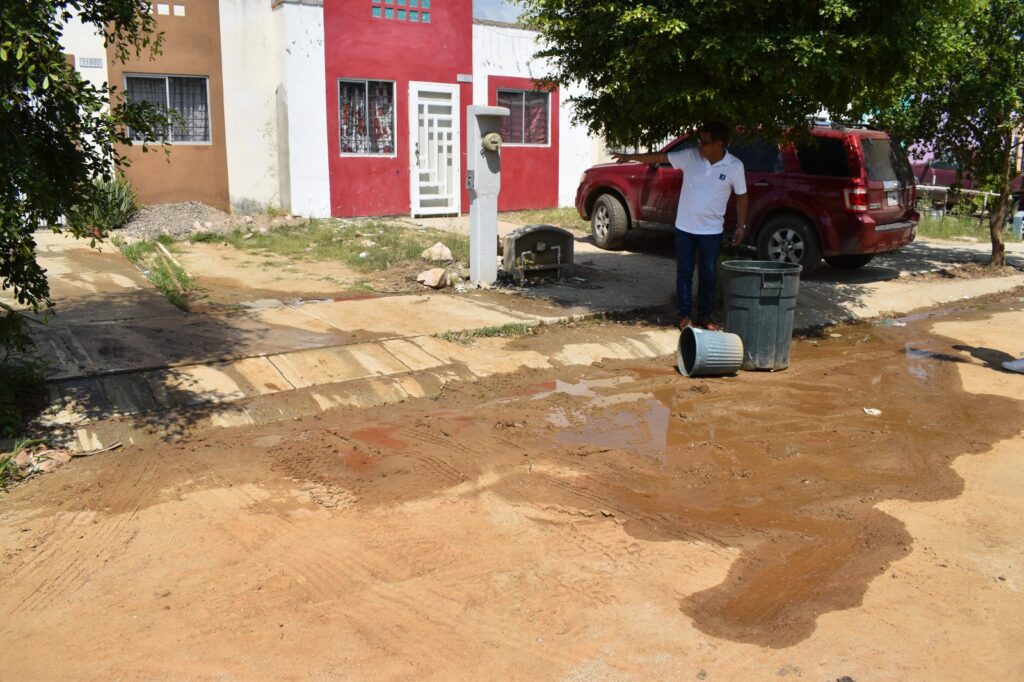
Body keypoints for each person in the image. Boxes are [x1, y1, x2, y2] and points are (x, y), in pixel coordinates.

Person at [612, 122, 747, 331]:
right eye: (699, 141)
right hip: (685, 228)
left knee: (708, 276)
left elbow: (741, 195)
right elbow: (659, 157)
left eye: (705, 142)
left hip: (711, 232)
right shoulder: (690, 156)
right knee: (684, 273)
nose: (700, 145)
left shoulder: (735, 166)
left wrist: (741, 225)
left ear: (719, 144)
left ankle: (705, 317)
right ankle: (684, 316)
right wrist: (631, 157)